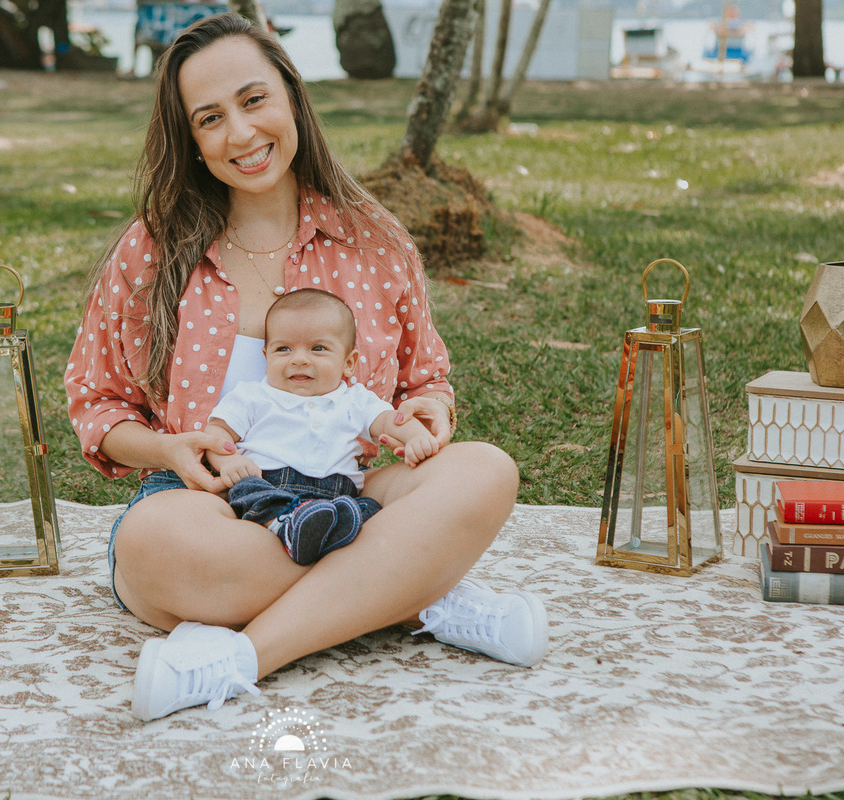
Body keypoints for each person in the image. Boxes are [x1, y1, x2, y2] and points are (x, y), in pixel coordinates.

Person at [65, 12, 548, 723]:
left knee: (486, 472)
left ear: (291, 95)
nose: (241, 134)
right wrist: (168, 450)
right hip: (210, 501)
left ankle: (241, 655)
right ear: (190, 140)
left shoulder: (373, 240)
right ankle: (416, 594)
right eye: (210, 118)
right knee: (151, 544)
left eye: (254, 100)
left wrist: (431, 411)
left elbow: (424, 379)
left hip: (348, 493)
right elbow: (97, 403)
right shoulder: (151, 248)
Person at [207, 288, 441, 566]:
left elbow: (389, 421)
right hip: (269, 482)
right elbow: (216, 433)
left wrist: (414, 435)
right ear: (266, 357)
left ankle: (326, 530)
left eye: (317, 348)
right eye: (283, 349)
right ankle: (285, 524)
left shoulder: (356, 400)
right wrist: (228, 460)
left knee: (371, 507)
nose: (299, 359)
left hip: (337, 492)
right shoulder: (252, 396)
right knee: (246, 490)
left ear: (348, 362)